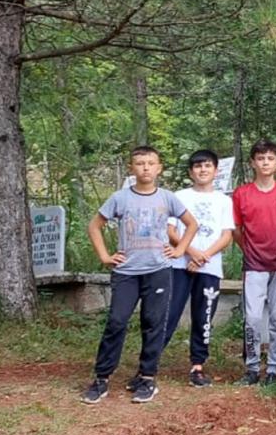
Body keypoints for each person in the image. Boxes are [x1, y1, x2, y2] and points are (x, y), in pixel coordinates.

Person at [82, 146, 198, 404]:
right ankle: (101, 378)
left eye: (150, 163)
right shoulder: (120, 198)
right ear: (131, 168)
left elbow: (192, 224)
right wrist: (104, 256)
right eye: (140, 163)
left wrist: (179, 249)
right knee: (117, 321)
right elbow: (94, 225)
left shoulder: (167, 198)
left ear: (159, 168)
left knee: (153, 322)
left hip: (158, 271)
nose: (145, 168)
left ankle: (147, 377)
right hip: (126, 272)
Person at [162, 149, 235, 388]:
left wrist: (204, 256)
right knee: (167, 314)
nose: (202, 170)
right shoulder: (179, 196)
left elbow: (227, 235)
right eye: (197, 166)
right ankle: (149, 364)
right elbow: (170, 231)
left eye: (207, 166)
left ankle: (197, 365)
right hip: (179, 264)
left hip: (210, 267)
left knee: (203, 316)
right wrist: (190, 252)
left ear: (215, 170)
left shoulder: (224, 200)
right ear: (190, 171)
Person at [232, 139, 276, 385]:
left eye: (270, 158)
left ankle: (274, 368)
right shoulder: (241, 194)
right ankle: (253, 367)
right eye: (260, 158)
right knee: (254, 318)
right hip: (254, 265)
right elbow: (236, 229)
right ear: (253, 163)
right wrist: (249, 250)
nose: (265, 163)